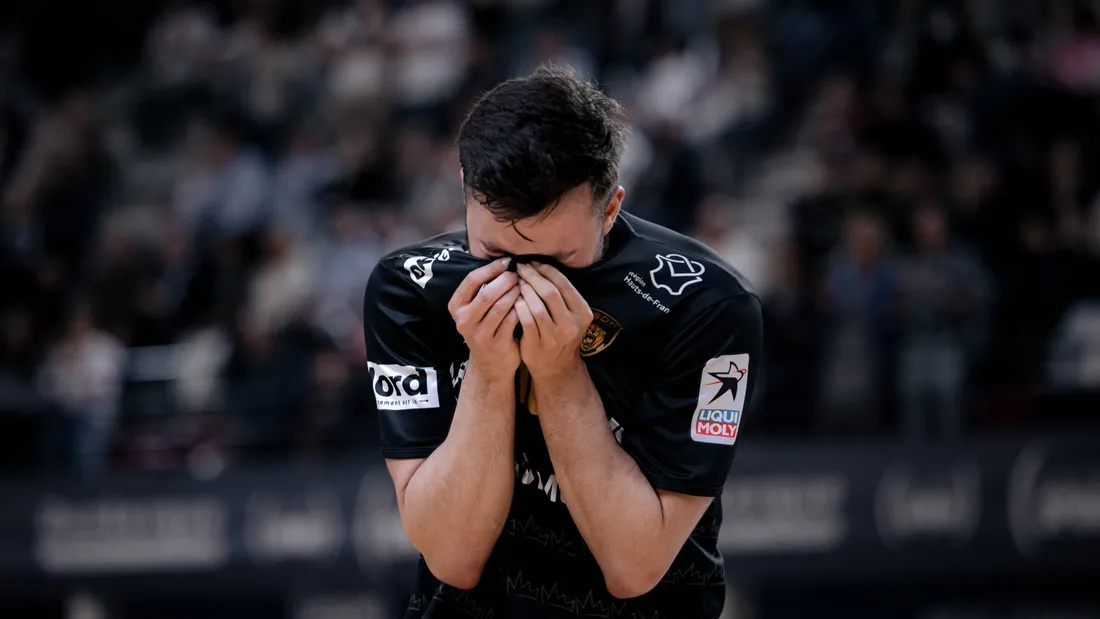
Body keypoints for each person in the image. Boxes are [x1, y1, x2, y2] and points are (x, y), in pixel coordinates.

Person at [363, 65, 763, 618]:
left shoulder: (708, 305)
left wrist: (558, 373)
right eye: (496, 255)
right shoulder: (407, 288)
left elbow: (634, 565)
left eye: (558, 261)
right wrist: (488, 367)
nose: (528, 283)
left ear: (611, 208)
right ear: (463, 189)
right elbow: (451, 557)